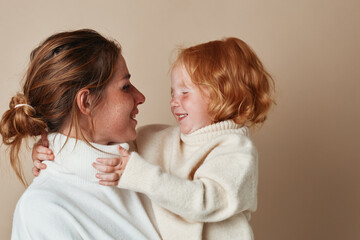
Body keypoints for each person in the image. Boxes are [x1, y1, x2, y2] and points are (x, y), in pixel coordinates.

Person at [33, 37, 275, 239]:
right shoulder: (159, 137)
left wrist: (143, 176)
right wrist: (51, 149)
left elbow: (206, 200)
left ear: (223, 96)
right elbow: (106, 152)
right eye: (173, 93)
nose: (173, 101)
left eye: (185, 93)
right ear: (86, 102)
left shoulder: (235, 150)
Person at [0, 29, 161, 240]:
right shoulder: (42, 210)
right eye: (125, 87)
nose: (140, 97)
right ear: (86, 102)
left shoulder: (151, 158)